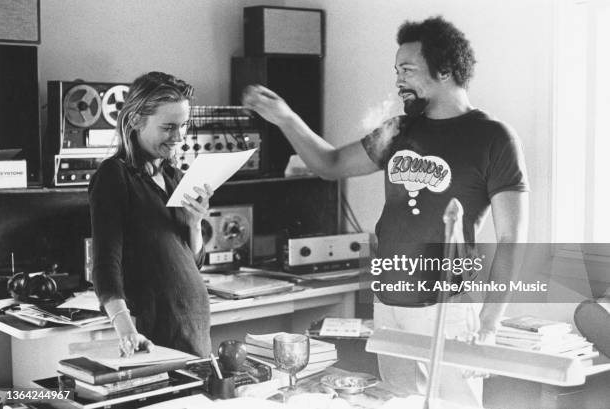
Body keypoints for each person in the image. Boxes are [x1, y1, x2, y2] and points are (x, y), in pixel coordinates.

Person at [243, 16, 529, 405]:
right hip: (390, 299)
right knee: (395, 402)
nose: (398, 81)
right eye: (396, 70)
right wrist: (286, 119)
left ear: (444, 70)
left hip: (445, 306)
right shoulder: (399, 129)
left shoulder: (494, 138)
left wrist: (490, 325)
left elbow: (513, 238)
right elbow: (329, 164)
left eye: (408, 70)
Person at [89, 71, 213, 358]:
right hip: (153, 331)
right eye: (169, 127)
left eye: (184, 126)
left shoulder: (175, 178)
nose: (179, 138)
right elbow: (105, 263)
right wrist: (125, 329)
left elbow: (193, 263)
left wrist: (195, 224)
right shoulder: (114, 176)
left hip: (194, 330)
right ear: (135, 121)